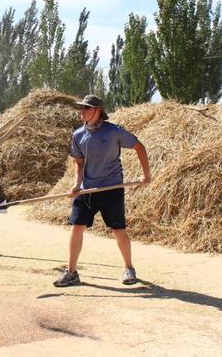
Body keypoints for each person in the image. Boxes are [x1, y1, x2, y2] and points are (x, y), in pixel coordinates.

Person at [53, 95, 151, 288]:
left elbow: (140, 148)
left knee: (118, 230)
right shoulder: (78, 135)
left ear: (98, 110)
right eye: (81, 108)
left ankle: (129, 268)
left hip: (111, 188)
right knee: (76, 228)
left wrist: (146, 175)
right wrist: (76, 184)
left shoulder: (114, 132)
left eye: (86, 108)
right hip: (87, 190)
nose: (81, 111)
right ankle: (71, 273)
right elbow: (79, 163)